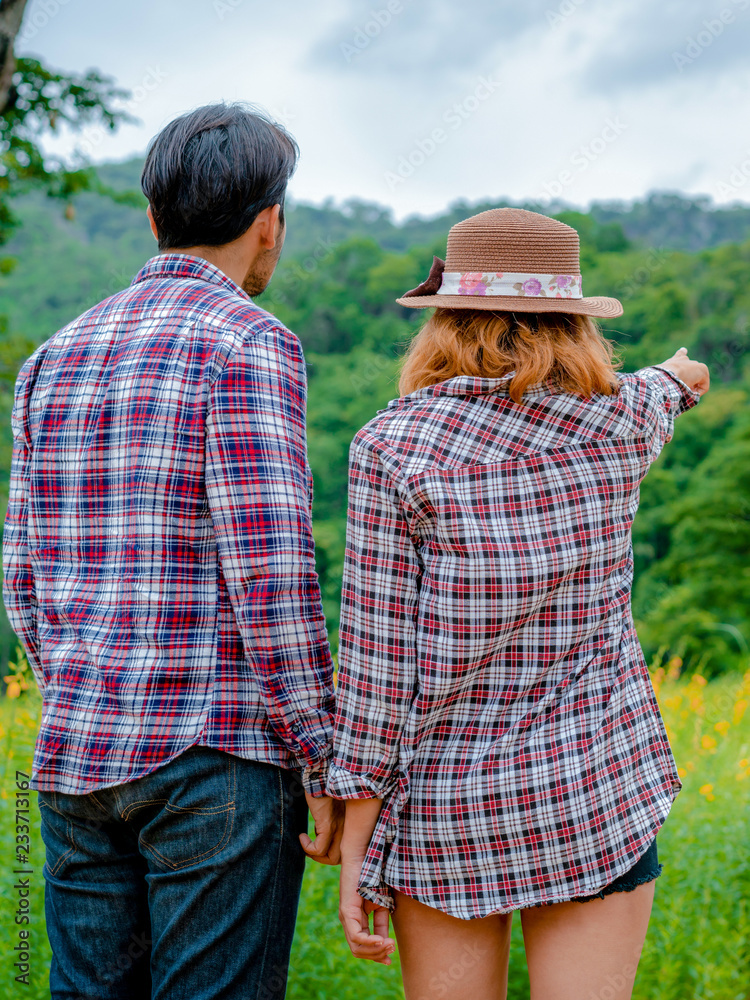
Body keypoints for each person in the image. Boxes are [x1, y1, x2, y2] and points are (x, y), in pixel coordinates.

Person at [2, 103, 342, 1000]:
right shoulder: (250, 342)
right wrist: (322, 753)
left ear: (155, 218)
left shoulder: (53, 356)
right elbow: (271, 573)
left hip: (78, 755)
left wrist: (78, 681)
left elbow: (22, 576)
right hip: (213, 759)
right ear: (270, 221)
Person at [327, 208, 710, 1000]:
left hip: (449, 812)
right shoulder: (625, 417)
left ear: (445, 319)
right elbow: (682, 380)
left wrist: (357, 849)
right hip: (595, 791)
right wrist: (680, 376)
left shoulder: (393, 448)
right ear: (573, 321)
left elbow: (375, 672)